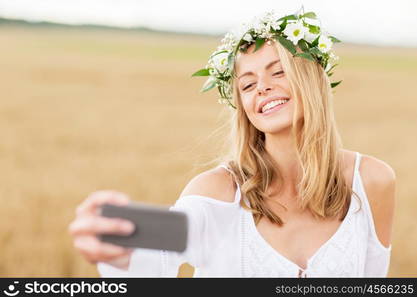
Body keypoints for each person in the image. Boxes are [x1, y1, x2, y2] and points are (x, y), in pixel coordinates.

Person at [68, 8, 396, 277]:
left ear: (311, 79)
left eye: (278, 72)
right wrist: (121, 246)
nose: (262, 88)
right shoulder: (218, 192)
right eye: (247, 84)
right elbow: (158, 258)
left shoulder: (372, 181)